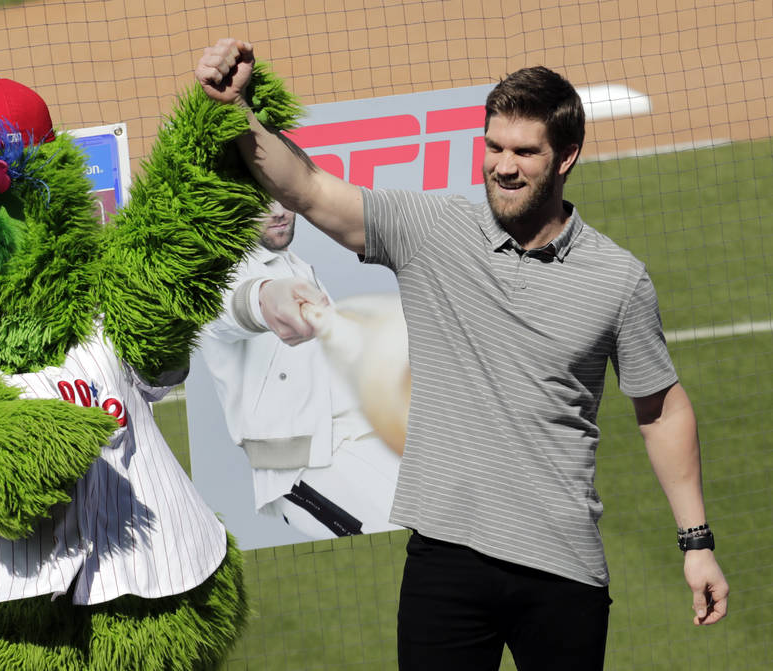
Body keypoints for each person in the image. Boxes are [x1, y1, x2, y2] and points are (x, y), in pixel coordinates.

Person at [196, 38, 729, 670]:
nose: (504, 166)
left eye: (525, 152)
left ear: (567, 158)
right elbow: (309, 189)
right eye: (494, 147)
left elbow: (661, 410)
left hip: (564, 567)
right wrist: (238, 109)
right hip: (446, 560)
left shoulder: (618, 279)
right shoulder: (430, 230)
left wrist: (696, 543)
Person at [199, 200, 402, 539]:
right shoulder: (218, 273)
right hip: (303, 470)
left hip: (360, 439)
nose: (278, 211)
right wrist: (264, 300)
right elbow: (236, 305)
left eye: (282, 197)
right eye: (261, 201)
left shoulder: (295, 265)